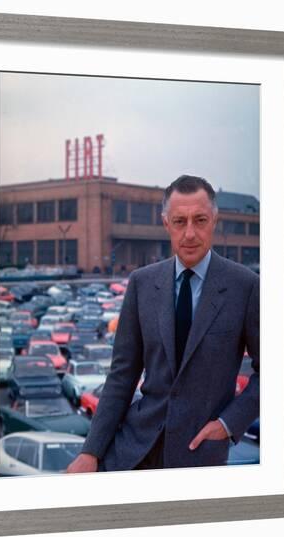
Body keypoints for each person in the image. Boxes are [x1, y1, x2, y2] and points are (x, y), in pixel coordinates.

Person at [67, 175, 259, 472]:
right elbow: (122, 374)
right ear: (166, 223)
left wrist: (227, 424)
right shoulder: (142, 283)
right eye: (180, 222)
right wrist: (90, 451)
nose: (190, 233)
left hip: (199, 455)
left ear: (215, 221)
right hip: (133, 447)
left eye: (200, 220)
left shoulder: (245, 286)